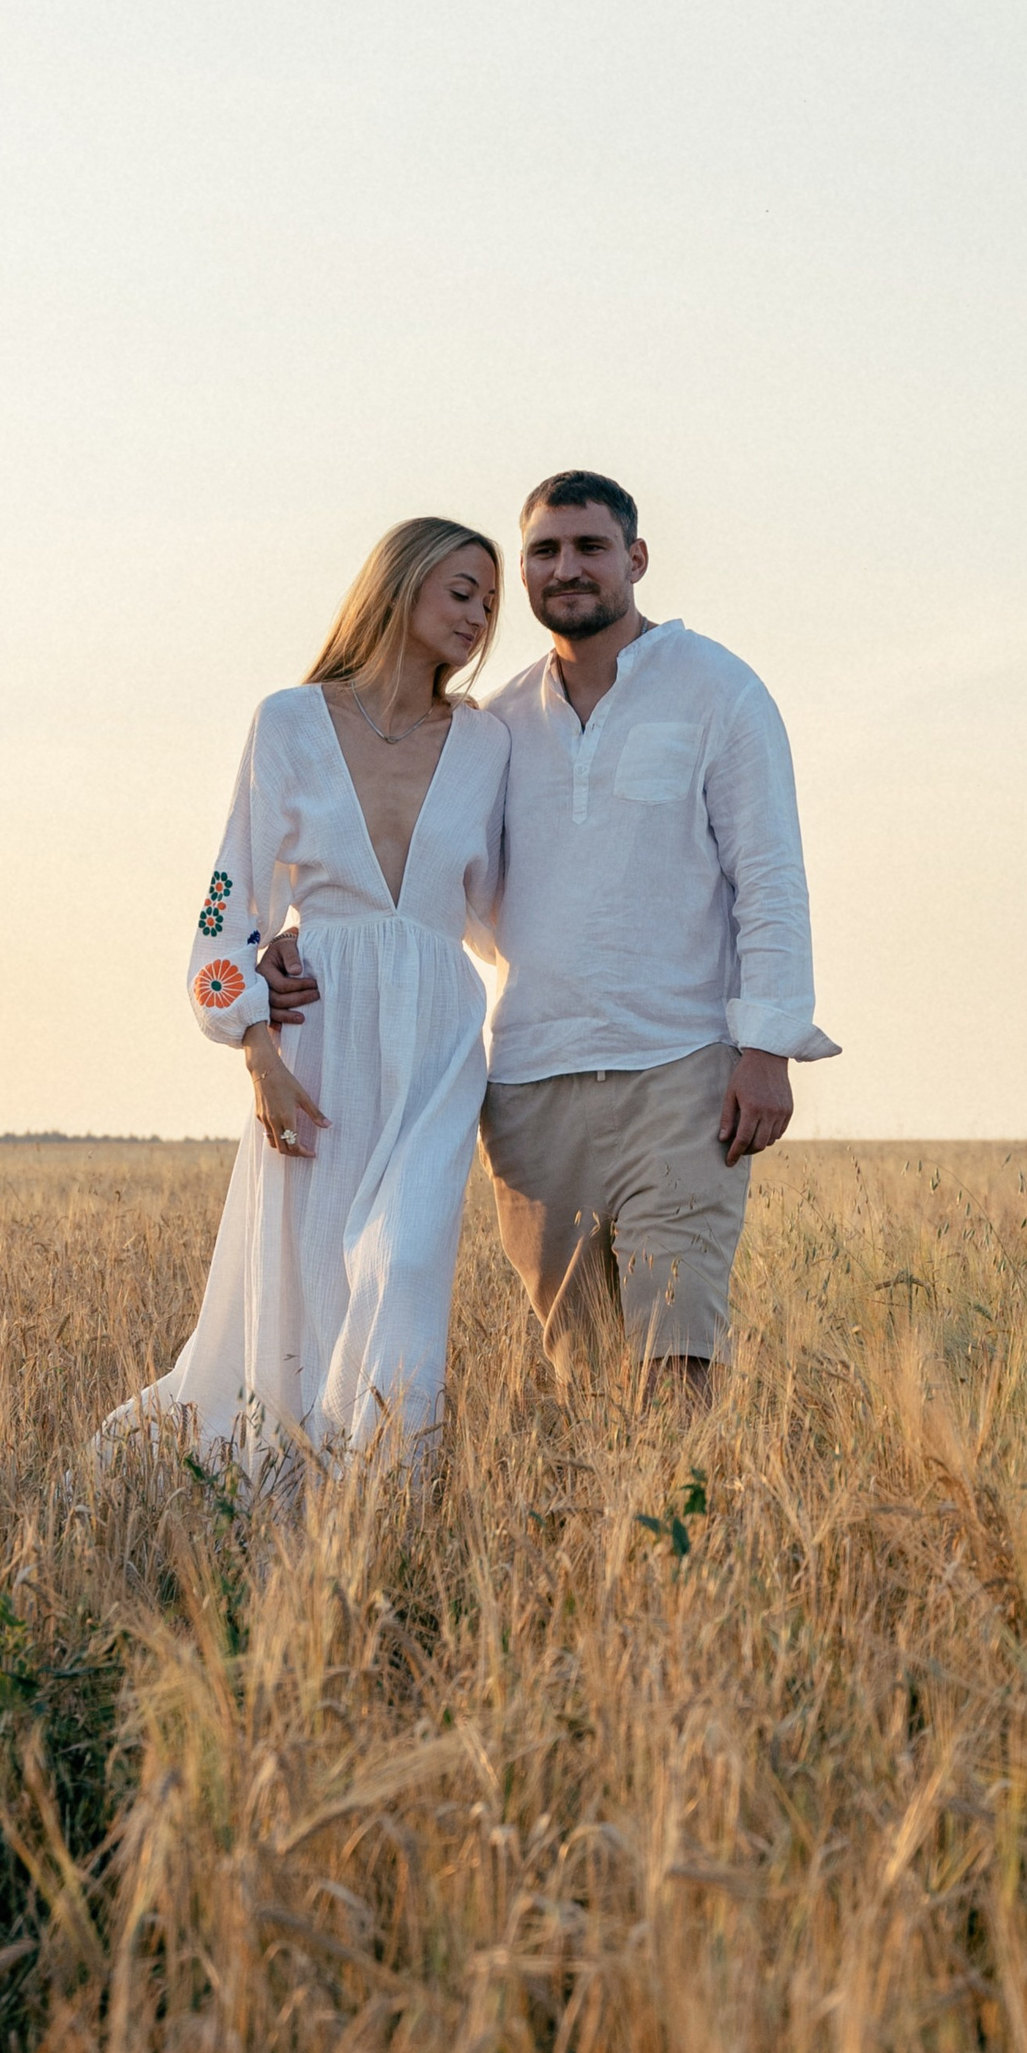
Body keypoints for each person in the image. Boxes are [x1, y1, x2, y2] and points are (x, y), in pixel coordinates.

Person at [264, 470, 835, 1398]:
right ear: (525, 576)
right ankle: (609, 1537)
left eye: (589, 548)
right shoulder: (493, 729)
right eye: (543, 553)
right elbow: (440, 880)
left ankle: (683, 1537)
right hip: (527, 1084)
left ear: (635, 559)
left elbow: (770, 873)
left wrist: (768, 1043)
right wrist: (310, 928)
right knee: (585, 1368)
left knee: (677, 1348)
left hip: (684, 1069)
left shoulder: (719, 691)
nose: (566, 569)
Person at [100, 517, 509, 1471]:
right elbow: (230, 897)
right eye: (462, 592)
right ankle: (291, 1492)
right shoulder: (289, 721)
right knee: (312, 1280)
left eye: (491, 602)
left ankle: (381, 1501)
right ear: (400, 587)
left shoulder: (489, 742)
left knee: (404, 1263)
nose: (482, 616)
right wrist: (255, 1050)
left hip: (442, 1035)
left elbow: (507, 905)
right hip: (319, 1034)